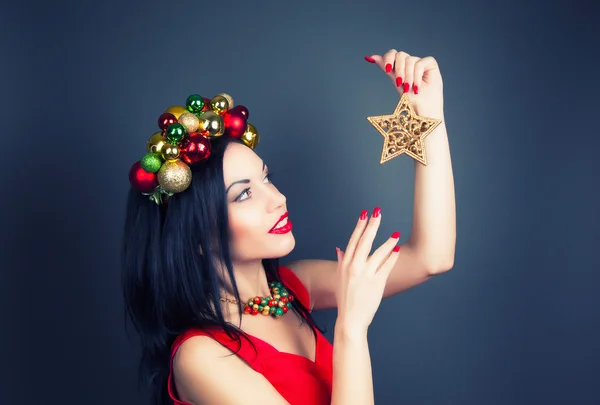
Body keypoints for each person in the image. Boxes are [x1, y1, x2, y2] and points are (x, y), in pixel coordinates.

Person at [122, 48, 456, 405]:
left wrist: (430, 116)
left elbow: (430, 258)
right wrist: (352, 331)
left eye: (266, 178)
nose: (278, 198)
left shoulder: (294, 289)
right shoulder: (200, 358)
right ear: (196, 237)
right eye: (245, 193)